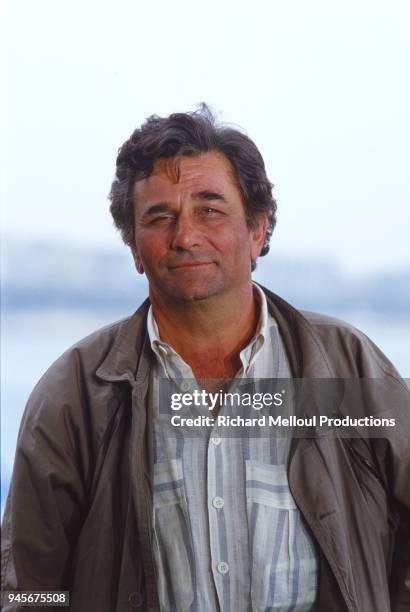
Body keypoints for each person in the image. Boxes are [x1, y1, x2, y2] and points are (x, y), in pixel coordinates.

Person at [1, 106, 409, 612]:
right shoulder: (77, 392)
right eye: (159, 216)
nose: (185, 236)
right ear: (133, 247)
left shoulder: (347, 366)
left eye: (210, 209)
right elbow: (27, 585)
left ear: (257, 230)